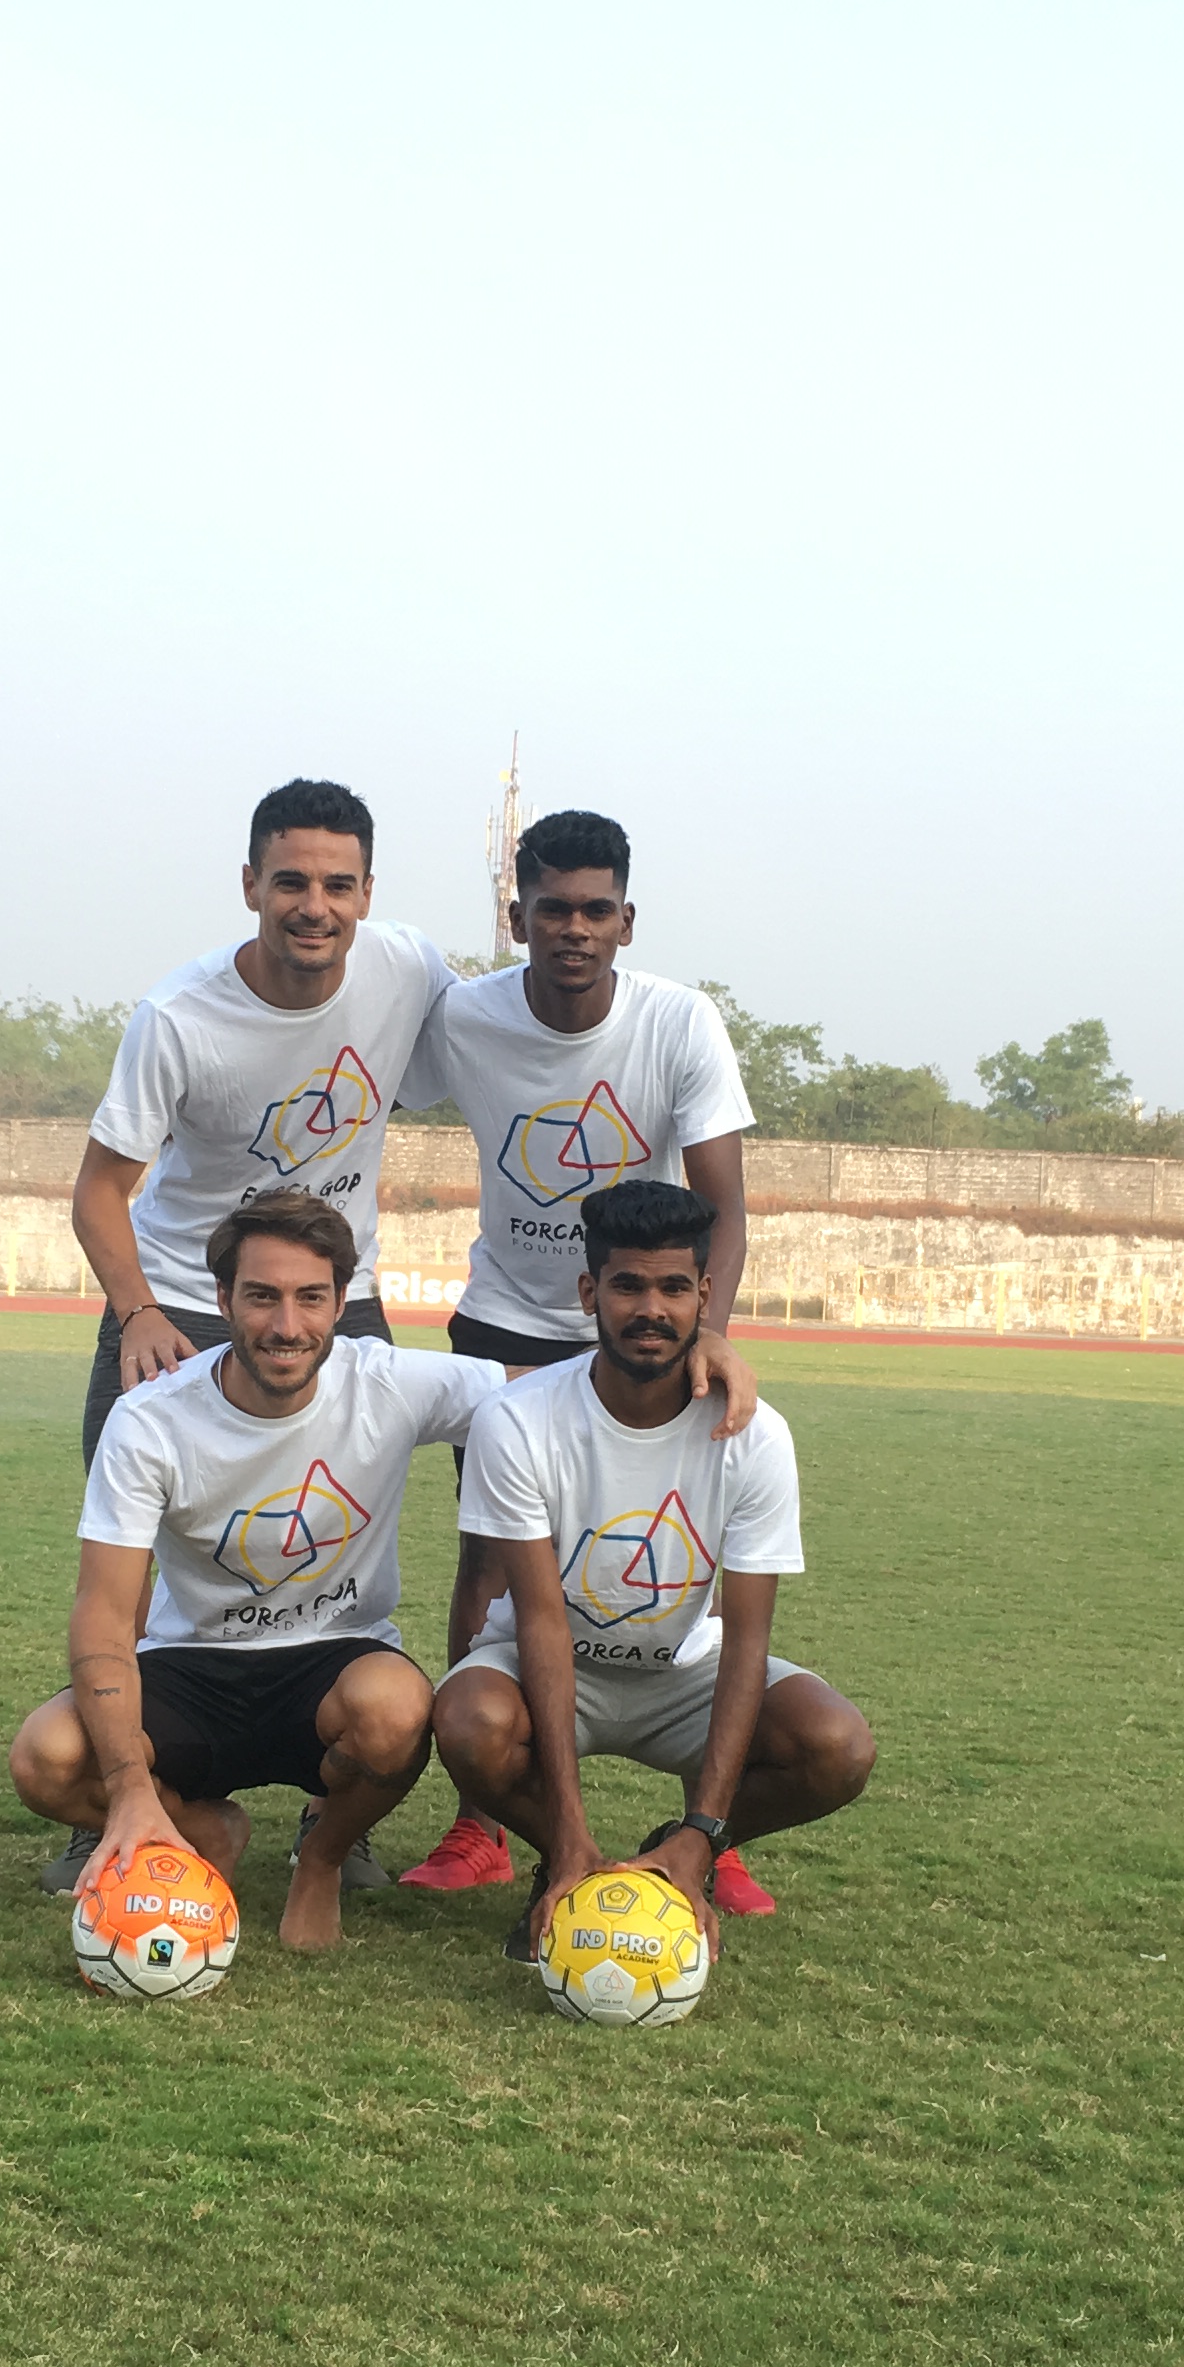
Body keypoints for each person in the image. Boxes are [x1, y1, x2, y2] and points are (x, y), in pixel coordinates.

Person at [41, 774, 449, 1888]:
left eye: (335, 884)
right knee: (132, 1558)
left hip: (329, 1289)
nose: (312, 906)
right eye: (289, 882)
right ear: (250, 886)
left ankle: (344, 1810)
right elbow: (98, 1193)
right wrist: (136, 1316)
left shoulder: (408, 968)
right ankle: (128, 1794)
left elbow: (511, 1051)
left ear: (368, 894)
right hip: (177, 1293)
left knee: (342, 1525)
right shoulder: (180, 1019)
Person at [390, 808, 770, 1909]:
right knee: (494, 1569)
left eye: (596, 909)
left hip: (642, 1312)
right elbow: (363, 1066)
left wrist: (710, 1331)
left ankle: (709, 1822)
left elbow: (724, 1205)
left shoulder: (679, 1024)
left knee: (683, 1556)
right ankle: (483, 1825)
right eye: (552, 908)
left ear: (627, 919)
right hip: (511, 1315)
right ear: (518, 917)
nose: (574, 929)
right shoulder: (465, 1017)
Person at [11, 1194, 504, 1956]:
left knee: (398, 1709)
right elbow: (104, 1615)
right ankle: (202, 1829)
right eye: (262, 1296)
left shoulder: (388, 1385)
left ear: (342, 1302)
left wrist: (695, 1351)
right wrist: (132, 1791)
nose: (286, 1325)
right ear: (222, 1299)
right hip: (192, 1663)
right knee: (47, 1759)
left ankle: (323, 1858)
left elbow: (555, 1391)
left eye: (311, 1298)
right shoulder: (150, 1420)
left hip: (335, 1660)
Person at [432, 1176, 871, 1968]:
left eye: (674, 1287)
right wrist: (567, 1836)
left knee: (836, 1747)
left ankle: (670, 1856)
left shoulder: (754, 1436)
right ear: (588, 1291)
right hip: (550, 1665)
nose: (651, 1309)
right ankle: (569, 1864)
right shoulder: (520, 1419)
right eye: (627, 1285)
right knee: (469, 1720)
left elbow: (745, 1641)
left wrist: (702, 1833)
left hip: (684, 1672)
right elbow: (540, 1621)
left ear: (705, 1295)